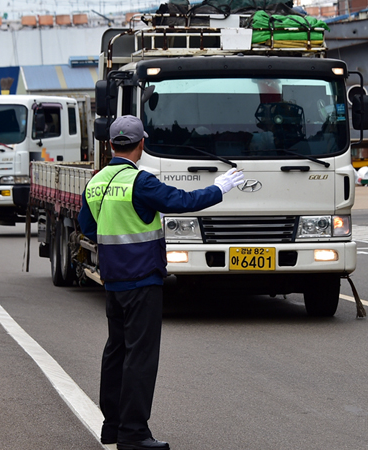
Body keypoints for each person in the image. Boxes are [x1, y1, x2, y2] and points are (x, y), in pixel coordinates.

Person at [78, 115, 244, 449]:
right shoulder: (141, 181)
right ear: (141, 144)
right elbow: (182, 202)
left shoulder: (96, 182)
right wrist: (220, 188)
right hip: (142, 281)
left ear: (111, 144)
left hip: (112, 281)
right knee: (140, 356)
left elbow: (88, 227)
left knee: (116, 352)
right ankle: (134, 433)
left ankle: (112, 427)